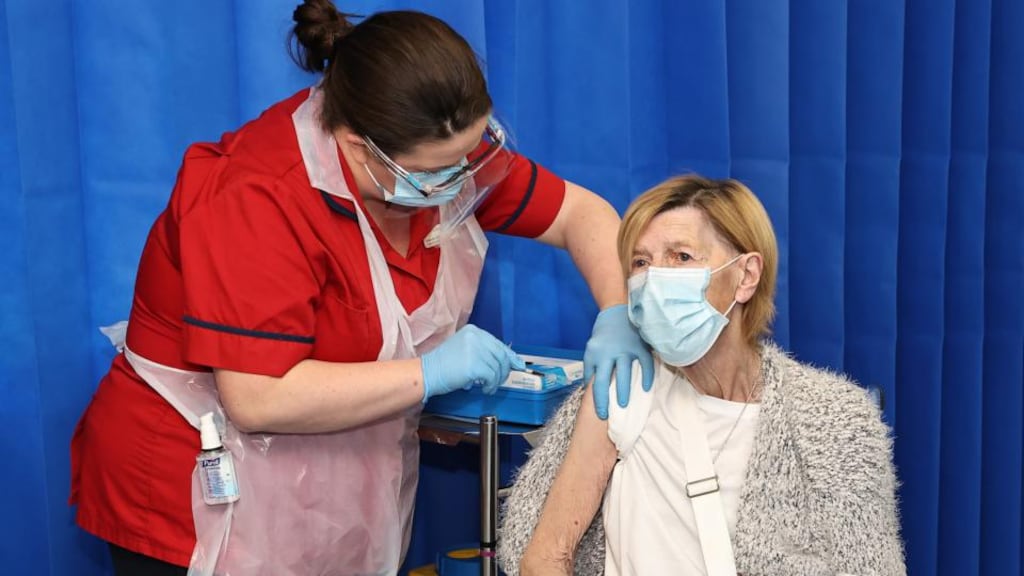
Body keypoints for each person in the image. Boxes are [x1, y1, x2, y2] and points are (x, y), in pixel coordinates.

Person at [69, 2, 652, 575]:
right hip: (196, 491)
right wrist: (428, 375)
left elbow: (582, 214)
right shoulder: (255, 196)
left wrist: (619, 312)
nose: (459, 181)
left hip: (330, 475)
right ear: (356, 147)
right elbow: (258, 397)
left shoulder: (434, 152)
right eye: (438, 171)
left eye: (467, 159)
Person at [498, 174, 906, 575]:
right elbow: (544, 560)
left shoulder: (829, 420)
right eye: (641, 262)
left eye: (681, 256)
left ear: (745, 276)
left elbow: (870, 563)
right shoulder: (626, 389)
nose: (655, 278)